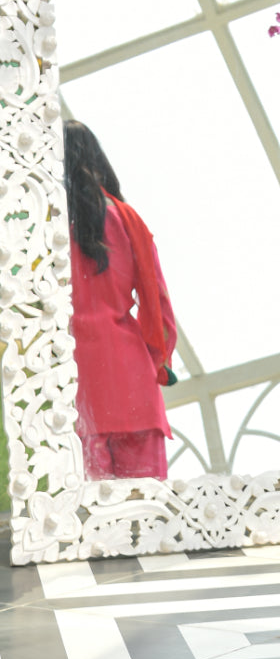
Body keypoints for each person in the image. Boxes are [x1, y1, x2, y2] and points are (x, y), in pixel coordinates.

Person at [64, 120, 177, 481]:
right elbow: (158, 305)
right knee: (144, 513)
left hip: (76, 381)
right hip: (133, 383)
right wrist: (159, 362)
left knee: (93, 519)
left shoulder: (47, 230)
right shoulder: (128, 219)